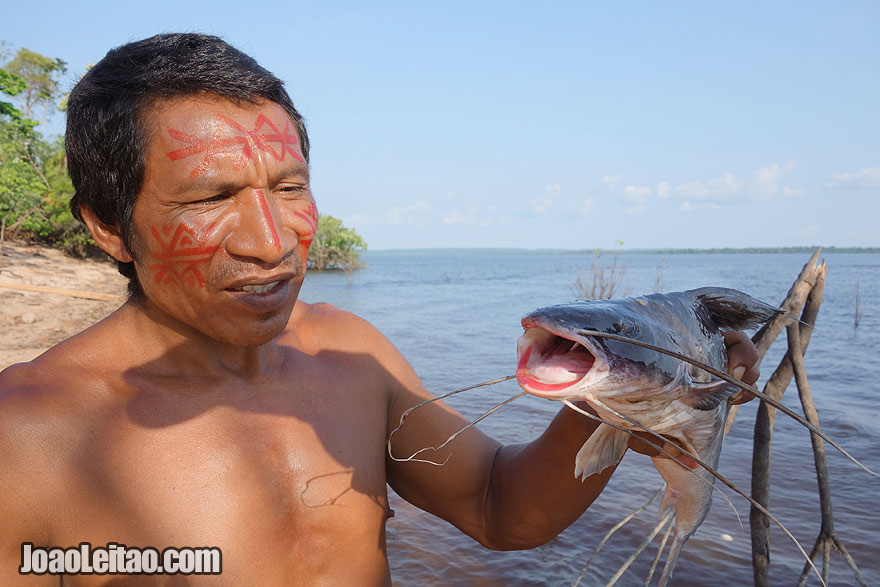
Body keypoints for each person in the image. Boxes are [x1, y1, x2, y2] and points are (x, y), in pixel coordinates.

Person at [0, 33, 760, 585]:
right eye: (210, 197)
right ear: (106, 224)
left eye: (290, 188)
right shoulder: (27, 439)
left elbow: (500, 507)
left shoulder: (349, 353)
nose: (272, 242)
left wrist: (621, 389)